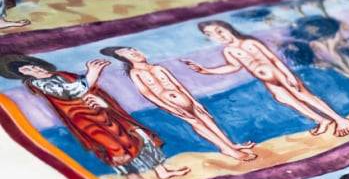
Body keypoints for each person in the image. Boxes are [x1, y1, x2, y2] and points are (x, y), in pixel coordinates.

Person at [1, 54, 189, 179]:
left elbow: (91, 90)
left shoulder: (61, 74)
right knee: (116, 145)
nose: (35, 69)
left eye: (33, 66)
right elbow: (72, 92)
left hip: (102, 110)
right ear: (23, 75)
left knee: (136, 134)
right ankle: (134, 178)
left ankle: (162, 170)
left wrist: (103, 102)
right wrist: (92, 73)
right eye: (27, 70)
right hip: (86, 118)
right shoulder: (39, 84)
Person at [183, 20, 349, 137]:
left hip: (279, 74)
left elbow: (273, 59)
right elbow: (233, 67)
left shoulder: (250, 43)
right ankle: (321, 120)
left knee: (304, 96)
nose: (218, 36)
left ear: (228, 28)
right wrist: (207, 71)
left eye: (219, 31)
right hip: (268, 81)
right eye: (211, 34)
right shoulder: (229, 51)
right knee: (287, 100)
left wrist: (288, 75)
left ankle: (340, 119)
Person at [101, 46, 256, 161]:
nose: (134, 52)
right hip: (171, 103)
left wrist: (194, 102)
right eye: (129, 53)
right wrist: (169, 107)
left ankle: (231, 144)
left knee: (206, 118)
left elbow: (178, 85)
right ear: (125, 59)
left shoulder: (158, 68)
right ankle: (226, 149)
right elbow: (148, 93)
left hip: (185, 99)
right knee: (197, 123)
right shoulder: (136, 73)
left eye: (133, 50)